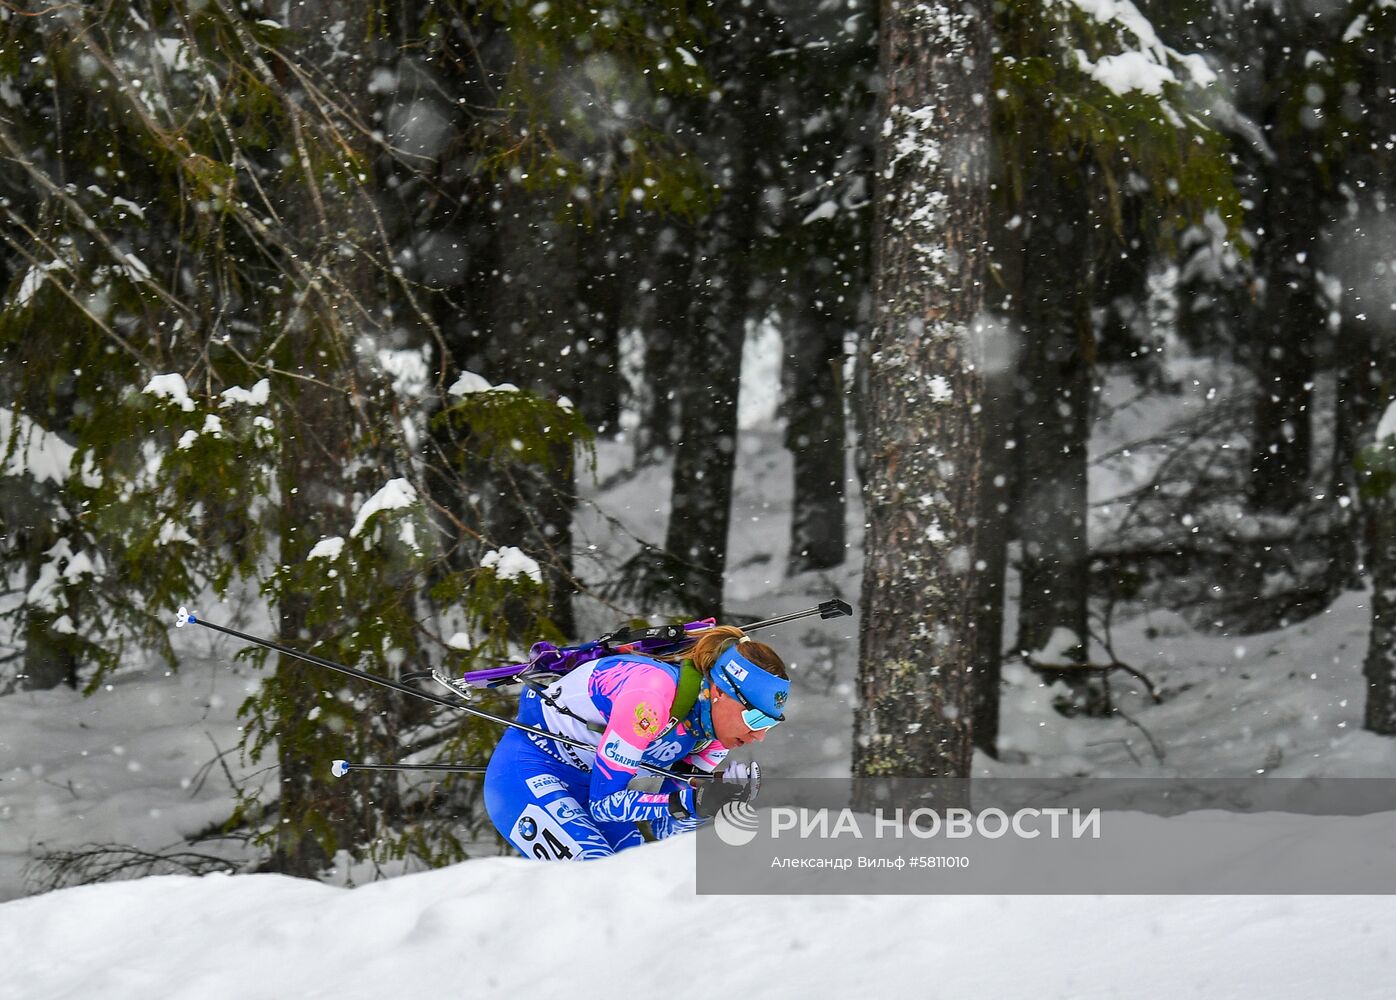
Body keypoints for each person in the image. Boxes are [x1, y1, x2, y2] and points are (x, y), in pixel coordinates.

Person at [482, 624, 789, 860]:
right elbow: (605, 806)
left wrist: (706, 805)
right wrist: (685, 802)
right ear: (721, 692)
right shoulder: (651, 695)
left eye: (770, 725)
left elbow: (666, 830)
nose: (759, 735)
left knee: (633, 884)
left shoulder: (715, 735)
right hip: (531, 769)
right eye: (756, 719)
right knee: (594, 879)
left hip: (590, 787)